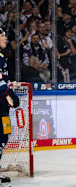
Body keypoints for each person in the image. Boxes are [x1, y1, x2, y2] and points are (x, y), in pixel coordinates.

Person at [0, 28, 19, 183]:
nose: (5, 38)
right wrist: (10, 94)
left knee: (4, 136)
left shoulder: (2, 56)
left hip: (3, 108)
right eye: (2, 35)